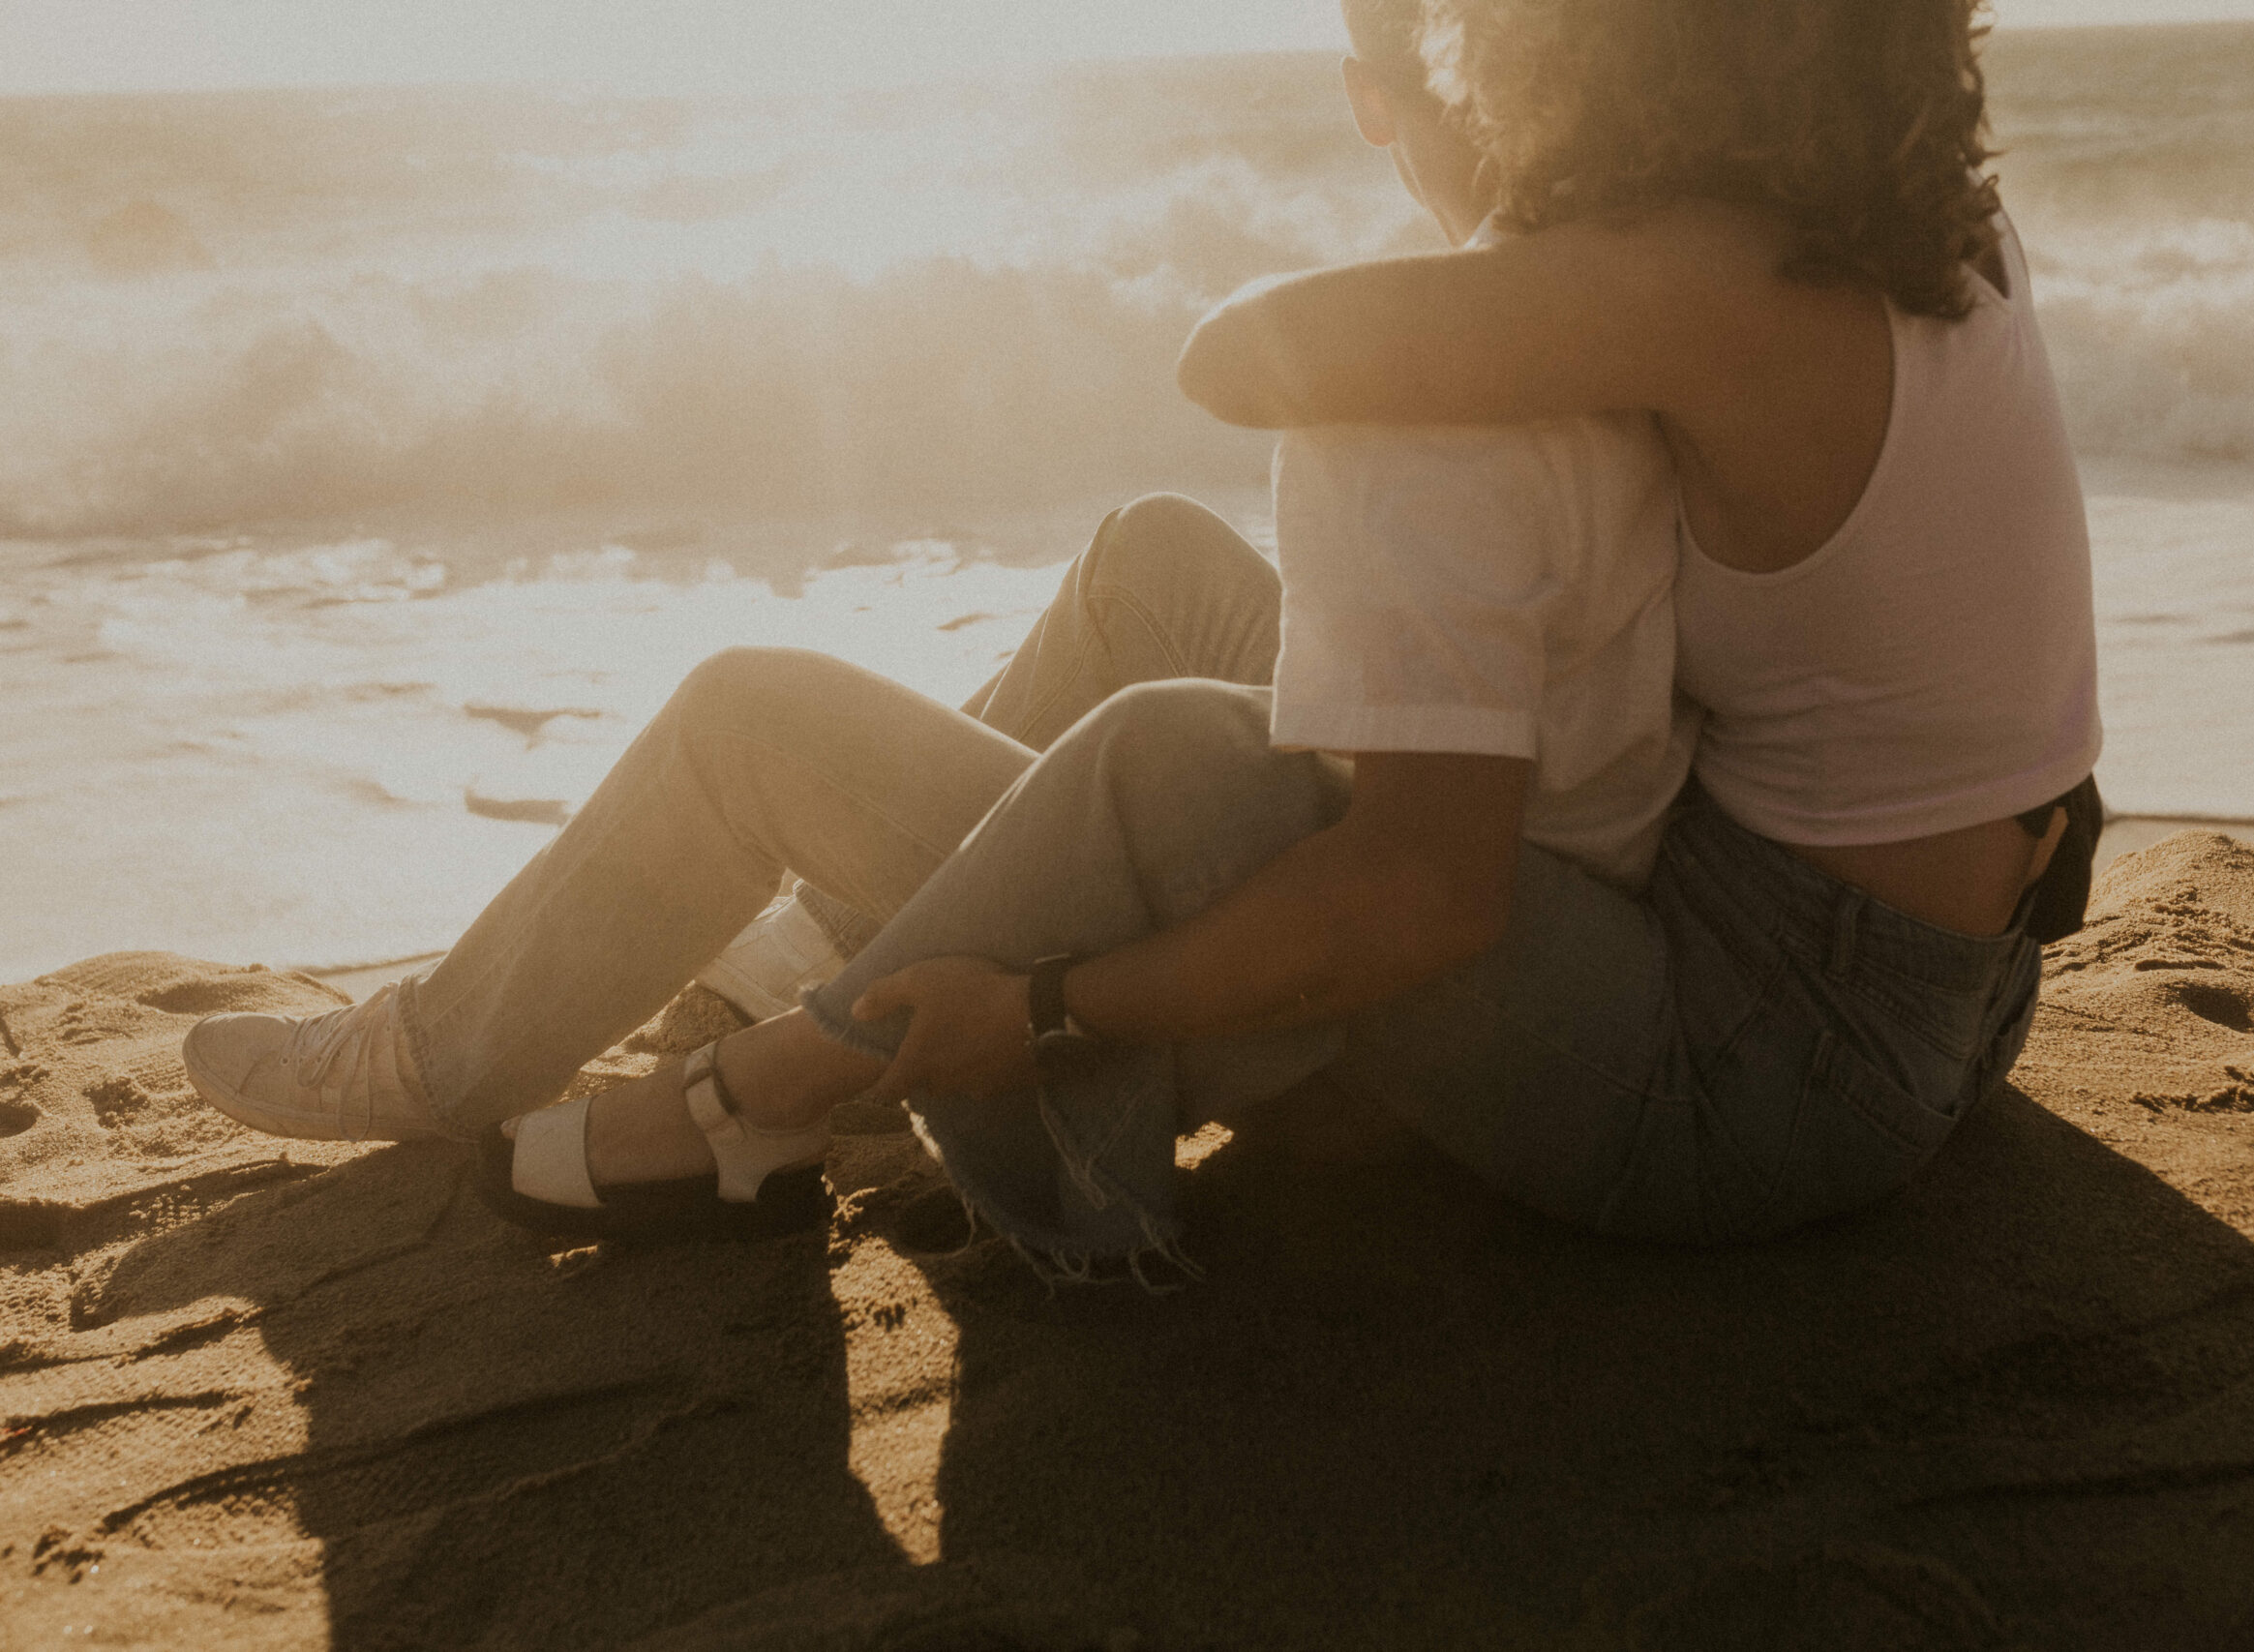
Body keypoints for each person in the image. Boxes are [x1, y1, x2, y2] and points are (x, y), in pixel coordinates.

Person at [183, 0, 2097, 1276]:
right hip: (1937, 969)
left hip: (1762, 1062)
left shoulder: (1695, 283)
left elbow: (1254, 356)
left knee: (801, 720)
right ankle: (838, 940)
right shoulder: (1902, 224)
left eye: (1456, 39)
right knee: (1151, 570)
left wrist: (1044, 1011)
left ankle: (632, 1079)